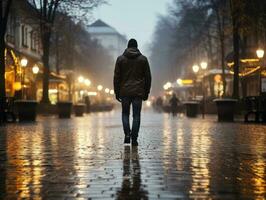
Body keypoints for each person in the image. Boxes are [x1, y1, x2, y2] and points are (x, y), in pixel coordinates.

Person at [114, 38, 152, 146]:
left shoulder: (120, 59)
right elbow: (148, 77)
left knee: (125, 114)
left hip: (124, 92)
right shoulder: (143, 59)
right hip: (138, 93)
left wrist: (117, 92)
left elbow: (116, 77)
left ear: (127, 46)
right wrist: (146, 92)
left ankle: (127, 134)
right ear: (137, 46)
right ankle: (134, 138)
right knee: (136, 115)